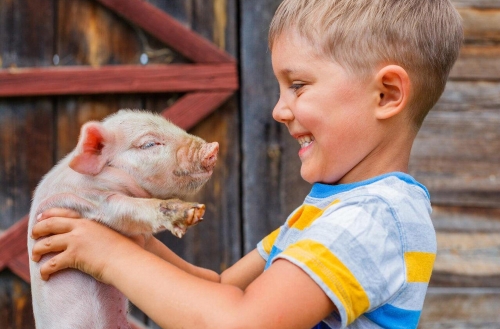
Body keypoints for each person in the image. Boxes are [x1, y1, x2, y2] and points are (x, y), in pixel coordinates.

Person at [31, 0, 463, 328]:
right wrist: (132, 243)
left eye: (298, 85)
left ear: (386, 94)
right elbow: (221, 289)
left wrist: (108, 258)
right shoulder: (325, 212)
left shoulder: (373, 217)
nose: (279, 109)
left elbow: (242, 321)